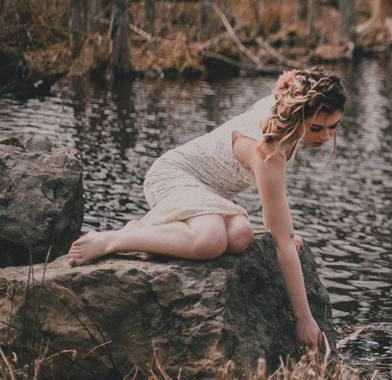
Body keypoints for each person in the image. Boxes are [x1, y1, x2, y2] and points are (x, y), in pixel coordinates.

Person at [66, 66, 346, 348]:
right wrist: (304, 319)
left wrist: (283, 234)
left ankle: (164, 228)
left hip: (212, 194)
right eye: (317, 128)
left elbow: (277, 223)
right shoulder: (269, 149)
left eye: (333, 126)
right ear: (297, 114)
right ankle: (115, 239)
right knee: (210, 240)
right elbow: (281, 240)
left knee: (240, 237)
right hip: (174, 175)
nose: (325, 136)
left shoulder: (287, 103)